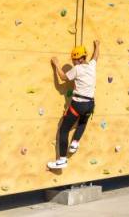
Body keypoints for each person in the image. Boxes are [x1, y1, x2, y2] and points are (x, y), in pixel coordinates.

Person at [48, 40, 99, 170]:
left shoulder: (77, 69)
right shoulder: (92, 66)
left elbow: (63, 78)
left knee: (64, 129)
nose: (73, 62)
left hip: (78, 104)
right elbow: (95, 57)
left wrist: (56, 65)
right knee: (82, 122)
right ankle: (75, 142)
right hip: (90, 104)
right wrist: (97, 46)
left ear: (78, 59)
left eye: (74, 60)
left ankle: (62, 160)